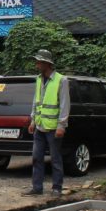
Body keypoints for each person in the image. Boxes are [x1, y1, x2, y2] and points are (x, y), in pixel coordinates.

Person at [22, 49, 70, 197]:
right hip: (40, 126)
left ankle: (57, 188)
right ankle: (37, 187)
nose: (36, 64)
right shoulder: (38, 79)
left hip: (53, 127)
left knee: (55, 159)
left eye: (39, 62)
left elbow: (64, 104)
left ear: (47, 64)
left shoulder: (61, 80)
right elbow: (36, 101)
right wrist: (32, 120)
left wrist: (61, 125)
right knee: (36, 158)